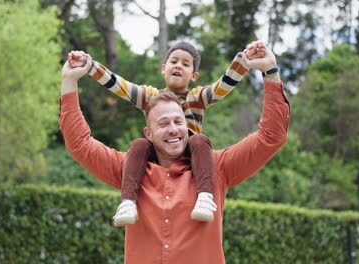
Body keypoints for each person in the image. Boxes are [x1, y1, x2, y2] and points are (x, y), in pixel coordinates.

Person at [59, 43, 290, 263]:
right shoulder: (129, 169)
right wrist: (69, 81)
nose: (173, 129)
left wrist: (270, 71)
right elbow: (79, 144)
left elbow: (272, 137)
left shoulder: (216, 167)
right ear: (148, 133)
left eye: (178, 121)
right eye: (163, 123)